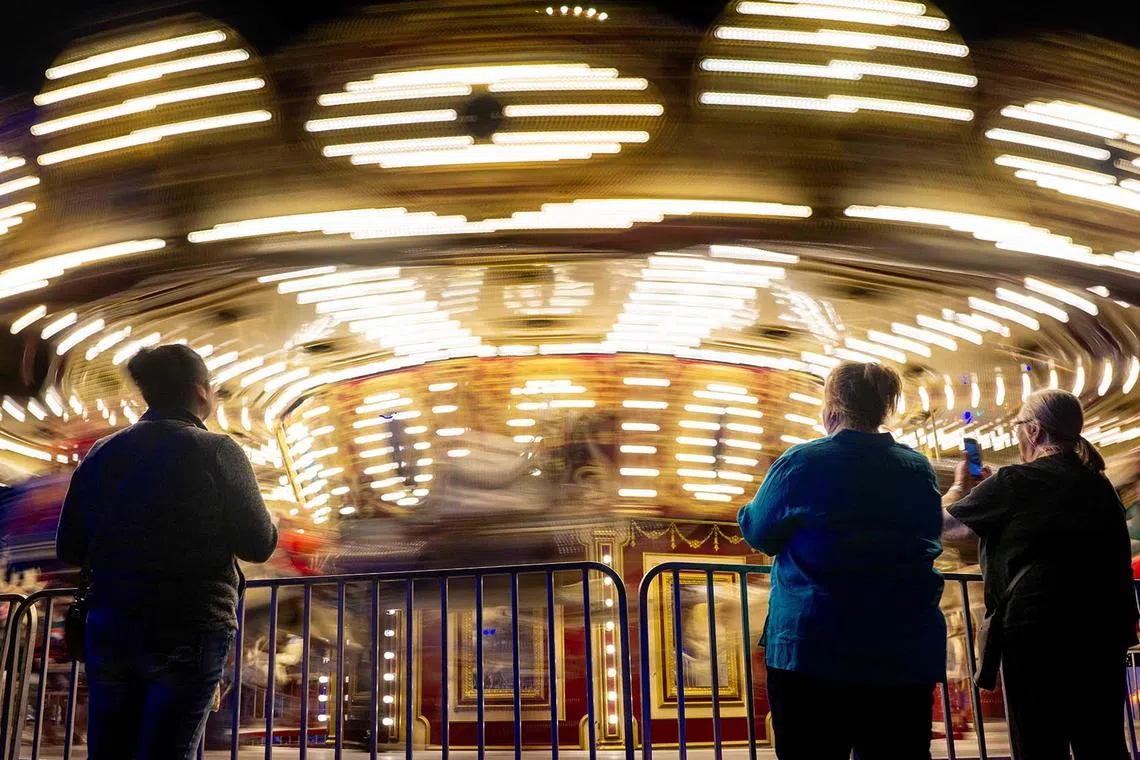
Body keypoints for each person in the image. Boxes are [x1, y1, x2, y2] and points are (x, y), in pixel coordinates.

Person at [56, 344, 278, 760]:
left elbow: (69, 547)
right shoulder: (216, 450)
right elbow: (258, 543)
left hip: (111, 625)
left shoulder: (102, 453)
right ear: (199, 391)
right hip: (190, 624)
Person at [738, 362, 945, 760]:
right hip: (901, 650)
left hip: (815, 646)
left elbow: (759, 531)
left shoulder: (802, 462)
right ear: (886, 406)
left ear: (831, 405)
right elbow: (928, 532)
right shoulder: (917, 468)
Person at [943, 389, 1137, 759]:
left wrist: (958, 489)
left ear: (1033, 431)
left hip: (1037, 635)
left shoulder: (1015, 481)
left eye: (1019, 426)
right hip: (1102, 632)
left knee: (1039, 742)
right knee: (1102, 741)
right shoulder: (1099, 485)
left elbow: (949, 528)